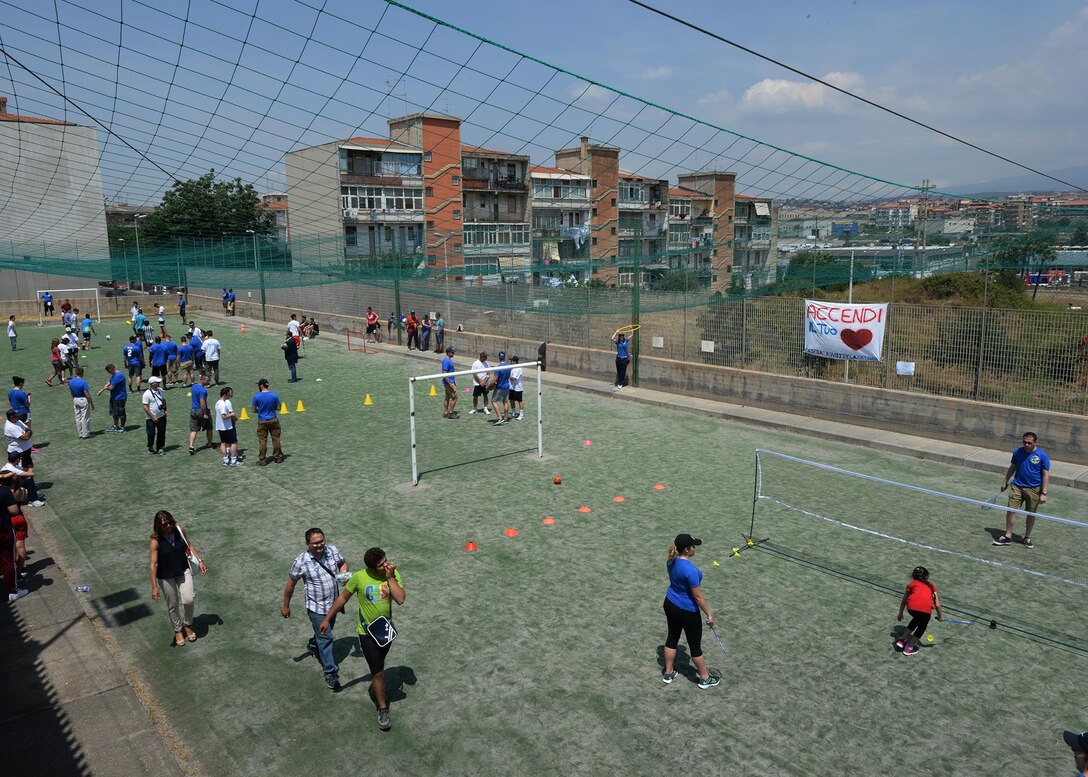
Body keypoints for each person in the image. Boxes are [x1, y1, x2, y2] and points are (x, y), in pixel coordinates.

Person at [321, 546, 405, 731]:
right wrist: (327, 618)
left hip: (385, 631)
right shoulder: (359, 577)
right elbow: (343, 598)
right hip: (366, 633)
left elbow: (400, 599)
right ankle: (383, 709)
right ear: (372, 568)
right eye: (382, 564)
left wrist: (390, 577)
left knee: (380, 667)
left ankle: (378, 688)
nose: (387, 564)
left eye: (386, 560)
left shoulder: (392, 574)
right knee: (377, 672)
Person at [282, 528, 349, 692]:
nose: (319, 545)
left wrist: (343, 573)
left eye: (321, 541)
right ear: (307, 544)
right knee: (326, 639)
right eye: (315, 543)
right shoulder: (301, 561)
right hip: (316, 608)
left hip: (334, 604)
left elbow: (343, 563)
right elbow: (291, 584)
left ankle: (313, 644)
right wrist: (285, 605)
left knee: (324, 633)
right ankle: (330, 673)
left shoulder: (332, 550)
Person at [661, 533, 720, 689]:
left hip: (670, 603)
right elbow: (698, 597)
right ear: (687, 550)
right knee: (695, 646)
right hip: (687, 611)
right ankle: (705, 678)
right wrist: (709, 614)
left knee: (672, 638)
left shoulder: (670, 560)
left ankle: (668, 672)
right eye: (694, 546)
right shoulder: (691, 571)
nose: (695, 548)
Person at [149, 510, 205, 647]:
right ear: (158, 526)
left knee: (188, 599)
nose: (168, 526)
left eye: (169, 522)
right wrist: (154, 586)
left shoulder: (180, 531)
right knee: (173, 604)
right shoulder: (155, 541)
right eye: (164, 524)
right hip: (165, 576)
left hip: (183, 570)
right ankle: (178, 630)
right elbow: (153, 564)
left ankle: (188, 624)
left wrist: (200, 560)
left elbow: (189, 545)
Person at [994, 432, 1051, 548]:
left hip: (1034, 489)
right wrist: (1005, 481)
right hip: (1017, 486)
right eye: (1024, 442)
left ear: (1035, 443)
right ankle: (1008, 536)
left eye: (1029, 443)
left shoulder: (1042, 455)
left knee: (1030, 513)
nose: (1026, 445)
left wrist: (1044, 493)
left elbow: (1046, 475)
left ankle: (1027, 537)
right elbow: (1013, 467)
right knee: (1011, 510)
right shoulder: (1017, 452)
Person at [895, 566, 943, 655]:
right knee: (922, 627)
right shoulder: (932, 586)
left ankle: (902, 641)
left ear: (913, 576)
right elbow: (937, 605)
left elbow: (904, 601)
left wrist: (900, 613)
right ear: (927, 576)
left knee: (916, 619)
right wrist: (940, 617)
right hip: (925, 611)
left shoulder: (911, 584)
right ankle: (909, 648)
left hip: (911, 608)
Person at [0, 478, 28, 602]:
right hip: (3, 529)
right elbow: (14, 510)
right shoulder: (4, 491)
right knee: (8, 561)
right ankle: (13, 591)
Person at [252, 378, 283, 465]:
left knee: (262, 441)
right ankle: (278, 457)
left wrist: (261, 410)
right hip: (273, 419)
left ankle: (262, 459)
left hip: (262, 421)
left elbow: (254, 410)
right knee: (276, 439)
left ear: (261, 386)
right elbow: (279, 408)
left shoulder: (257, 396)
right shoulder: (274, 395)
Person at [214, 386, 242, 467]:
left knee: (223, 443)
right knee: (233, 442)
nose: (231, 394)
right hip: (227, 427)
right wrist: (232, 415)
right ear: (226, 394)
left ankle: (225, 460)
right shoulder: (223, 404)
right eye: (230, 393)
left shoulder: (217, 403)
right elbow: (224, 416)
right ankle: (233, 460)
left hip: (220, 427)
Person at [188, 372, 214, 455]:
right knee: (209, 427)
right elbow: (202, 403)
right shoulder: (203, 391)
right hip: (200, 411)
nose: (209, 382)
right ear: (202, 380)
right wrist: (205, 413)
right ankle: (209, 443)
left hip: (193, 410)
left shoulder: (194, 386)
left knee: (193, 429)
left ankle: (191, 446)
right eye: (207, 380)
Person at [97, 363, 128, 433]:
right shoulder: (114, 375)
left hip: (120, 398)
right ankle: (115, 426)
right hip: (114, 397)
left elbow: (111, 387)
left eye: (109, 371)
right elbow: (109, 382)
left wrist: (106, 388)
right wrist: (101, 391)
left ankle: (122, 427)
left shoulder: (118, 376)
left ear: (111, 369)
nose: (109, 373)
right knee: (114, 413)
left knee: (121, 414)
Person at [142, 376, 168, 455]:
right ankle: (150, 447)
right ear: (152, 384)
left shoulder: (160, 391)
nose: (159, 383)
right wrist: (153, 416)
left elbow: (163, 400)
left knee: (161, 432)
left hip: (161, 416)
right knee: (151, 433)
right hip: (150, 418)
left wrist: (165, 410)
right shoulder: (146, 394)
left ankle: (160, 448)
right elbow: (145, 407)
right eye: (157, 382)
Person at [69, 366, 94, 439]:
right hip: (83, 400)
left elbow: (71, 392)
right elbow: (87, 394)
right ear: (82, 373)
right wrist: (92, 404)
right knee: (85, 417)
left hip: (75, 399)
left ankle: (80, 433)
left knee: (77, 417)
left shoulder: (71, 381)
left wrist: (74, 399)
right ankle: (86, 434)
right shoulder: (83, 382)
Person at [490, 352, 511, 425]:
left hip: (500, 387)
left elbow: (495, 379)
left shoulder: (498, 368)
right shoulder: (508, 366)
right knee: (505, 402)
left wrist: (489, 386)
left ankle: (500, 418)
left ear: (499, 357)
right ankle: (505, 418)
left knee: (493, 401)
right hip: (507, 386)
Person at [441, 347, 458, 419]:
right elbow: (444, 373)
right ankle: (451, 413)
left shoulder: (447, 360)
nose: (453, 353)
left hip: (449, 382)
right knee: (454, 397)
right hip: (449, 383)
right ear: (448, 353)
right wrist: (450, 383)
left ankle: (446, 412)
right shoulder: (446, 361)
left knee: (447, 397)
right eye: (452, 352)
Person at [509, 356, 526, 421]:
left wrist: (506, 375)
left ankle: (521, 415)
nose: (510, 362)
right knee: (511, 399)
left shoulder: (519, 368)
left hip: (518, 388)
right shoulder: (511, 367)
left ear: (514, 361)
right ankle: (513, 412)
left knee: (519, 401)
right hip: (511, 387)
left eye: (511, 361)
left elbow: (513, 378)